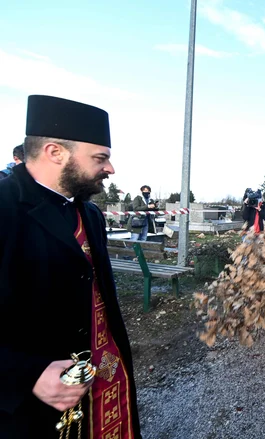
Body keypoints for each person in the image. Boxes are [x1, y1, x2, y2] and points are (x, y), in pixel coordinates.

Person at [0, 95, 141, 438]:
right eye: (100, 158)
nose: (110, 169)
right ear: (55, 152)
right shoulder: (4, 209)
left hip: (104, 392)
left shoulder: (89, 213)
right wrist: (25, 375)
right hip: (31, 414)